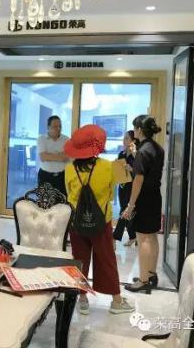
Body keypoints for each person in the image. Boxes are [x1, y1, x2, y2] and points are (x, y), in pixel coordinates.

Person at [64, 124, 134, 315]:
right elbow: (120, 188)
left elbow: (70, 194)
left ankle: (82, 299)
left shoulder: (69, 169)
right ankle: (116, 301)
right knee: (107, 260)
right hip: (102, 221)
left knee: (79, 260)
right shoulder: (110, 166)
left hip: (76, 222)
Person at [122, 115, 164, 293]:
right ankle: (151, 275)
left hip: (144, 198)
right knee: (152, 236)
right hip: (155, 196)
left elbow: (138, 180)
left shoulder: (142, 151)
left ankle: (143, 280)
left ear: (139, 130)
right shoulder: (157, 148)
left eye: (135, 128)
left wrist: (130, 205)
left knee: (143, 238)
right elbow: (147, 172)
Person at [113, 130, 138, 246]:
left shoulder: (136, 155)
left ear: (133, 141)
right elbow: (119, 172)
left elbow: (140, 172)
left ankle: (114, 237)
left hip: (132, 186)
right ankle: (133, 236)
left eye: (127, 138)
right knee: (126, 211)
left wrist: (131, 169)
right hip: (122, 185)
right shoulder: (121, 154)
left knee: (124, 211)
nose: (124, 140)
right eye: (124, 138)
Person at [37, 115, 69, 196]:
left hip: (62, 176)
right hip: (45, 176)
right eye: (55, 126)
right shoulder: (41, 139)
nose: (58, 128)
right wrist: (60, 156)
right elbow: (43, 157)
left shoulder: (66, 139)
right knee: (44, 201)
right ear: (48, 127)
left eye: (60, 126)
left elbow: (66, 157)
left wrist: (49, 155)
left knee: (62, 200)